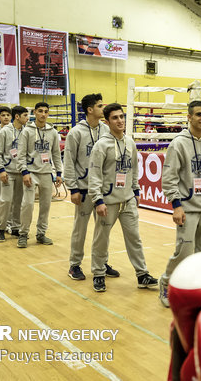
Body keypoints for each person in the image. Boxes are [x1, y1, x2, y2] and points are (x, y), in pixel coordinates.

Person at [158, 100, 201, 307]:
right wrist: (176, 205)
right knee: (184, 253)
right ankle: (166, 283)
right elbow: (168, 179)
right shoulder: (178, 144)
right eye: (199, 114)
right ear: (189, 117)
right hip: (187, 209)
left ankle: (198, 289)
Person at [88, 103, 158, 292]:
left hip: (127, 201)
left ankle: (142, 274)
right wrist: (98, 200)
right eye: (115, 118)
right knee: (101, 239)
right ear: (107, 121)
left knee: (134, 238)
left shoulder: (130, 142)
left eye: (121, 117)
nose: (120, 121)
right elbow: (94, 175)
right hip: (107, 202)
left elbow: (134, 170)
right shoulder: (101, 146)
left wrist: (135, 192)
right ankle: (99, 274)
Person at [64, 94, 115, 281]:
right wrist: (73, 188)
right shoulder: (75, 133)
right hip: (83, 189)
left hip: (102, 190)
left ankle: (101, 262)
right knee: (80, 229)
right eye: (100, 106)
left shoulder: (106, 130)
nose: (104, 108)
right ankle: (74, 265)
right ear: (89, 110)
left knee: (104, 228)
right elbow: (68, 161)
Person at [17, 102, 63, 248]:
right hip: (31, 172)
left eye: (46, 112)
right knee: (28, 204)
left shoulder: (53, 132)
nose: (43, 114)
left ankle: (41, 234)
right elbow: (21, 153)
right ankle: (23, 234)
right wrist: (24, 172)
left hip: (46, 173)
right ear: (35, 113)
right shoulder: (27, 131)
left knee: (45, 205)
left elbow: (56, 153)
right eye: (40, 111)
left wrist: (59, 173)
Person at [0, 106, 29, 242]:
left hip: (22, 171)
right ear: (17, 117)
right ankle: (1, 228)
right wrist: (1, 170)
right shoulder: (4, 131)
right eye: (25, 115)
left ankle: (15, 227)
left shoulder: (27, 131)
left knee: (19, 202)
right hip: (8, 172)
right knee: (6, 200)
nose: (28, 118)